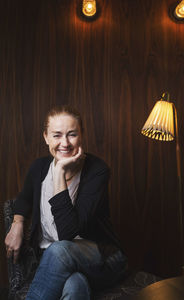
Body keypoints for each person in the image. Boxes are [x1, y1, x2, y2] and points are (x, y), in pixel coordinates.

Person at [5, 105, 128, 300]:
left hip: (102, 260)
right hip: (53, 262)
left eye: (72, 134)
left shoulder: (97, 170)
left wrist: (60, 171)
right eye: (56, 135)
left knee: (59, 249)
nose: (65, 143)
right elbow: (24, 198)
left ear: (82, 135)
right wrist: (17, 223)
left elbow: (67, 233)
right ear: (45, 137)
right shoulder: (39, 168)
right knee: (75, 284)